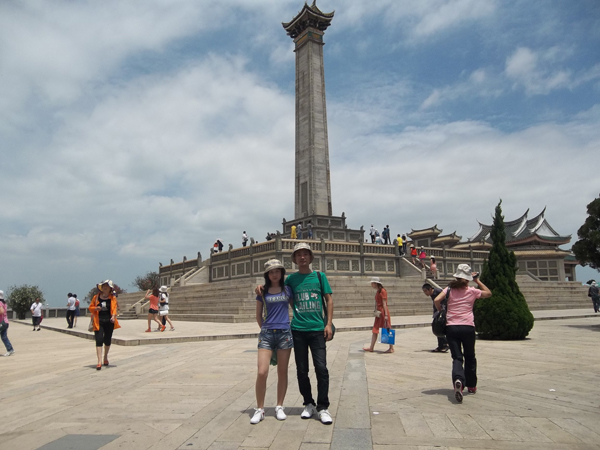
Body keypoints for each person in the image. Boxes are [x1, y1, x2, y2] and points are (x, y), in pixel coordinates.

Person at [255, 242, 334, 424]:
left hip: (316, 329)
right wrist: (259, 287)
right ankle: (308, 403)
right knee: (301, 370)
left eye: (305, 254)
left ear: (310, 257)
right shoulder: (290, 280)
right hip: (297, 330)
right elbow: (273, 288)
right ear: (295, 259)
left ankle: (323, 407)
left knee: (321, 368)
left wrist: (328, 324)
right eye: (299, 254)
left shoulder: (320, 276)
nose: (302, 257)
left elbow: (329, 300)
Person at [434, 264, 492, 403]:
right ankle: (471, 386)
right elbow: (488, 293)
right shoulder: (472, 291)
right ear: (468, 279)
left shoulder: (449, 289)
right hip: (468, 327)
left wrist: (441, 311)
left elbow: (436, 300)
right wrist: (477, 280)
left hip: (451, 327)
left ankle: (458, 379)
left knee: (457, 358)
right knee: (470, 357)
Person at [251, 259, 294, 424]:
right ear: (267, 275)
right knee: (262, 372)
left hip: (284, 333)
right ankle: (260, 409)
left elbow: (295, 307)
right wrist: (264, 329)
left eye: (277, 271)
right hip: (267, 334)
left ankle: (279, 406)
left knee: (282, 372)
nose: (274, 274)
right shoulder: (262, 291)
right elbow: (258, 314)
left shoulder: (287, 290)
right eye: (271, 272)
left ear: (281, 273)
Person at [89, 280, 120, 370]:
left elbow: (114, 309)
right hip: (98, 321)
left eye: (107, 286)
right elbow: (90, 307)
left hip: (109, 321)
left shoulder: (112, 298)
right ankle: (99, 361)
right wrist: (95, 308)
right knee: (99, 340)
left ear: (110, 289)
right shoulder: (96, 297)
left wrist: (113, 316)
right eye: (103, 286)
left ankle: (105, 357)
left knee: (107, 340)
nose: (105, 288)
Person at [363, 277, 394, 353]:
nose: (371, 284)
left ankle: (391, 348)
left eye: (372, 283)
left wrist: (386, 315)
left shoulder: (382, 291)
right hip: (379, 312)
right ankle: (371, 347)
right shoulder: (378, 291)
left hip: (383, 312)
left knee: (387, 328)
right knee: (375, 329)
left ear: (376, 283)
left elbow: (384, 304)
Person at [422, 283, 448, 352]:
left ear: (430, 289)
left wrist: (442, 310)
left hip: (442, 311)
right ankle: (441, 345)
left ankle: (445, 344)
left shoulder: (439, 291)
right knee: (436, 327)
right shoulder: (432, 294)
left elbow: (446, 299)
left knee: (439, 327)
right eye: (424, 291)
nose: (425, 293)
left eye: (426, 291)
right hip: (437, 312)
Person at [0, 291, 15, 357]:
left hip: (2, 322)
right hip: (5, 322)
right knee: (4, 337)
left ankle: (10, 349)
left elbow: (1, 311)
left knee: (4, 337)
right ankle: (10, 349)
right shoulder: (4, 303)